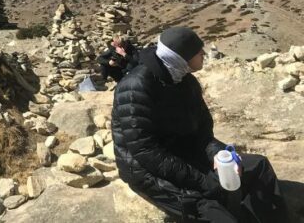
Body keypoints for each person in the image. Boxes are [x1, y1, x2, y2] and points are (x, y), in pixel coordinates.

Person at [112, 27, 289, 222]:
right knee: (214, 208)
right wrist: (203, 181)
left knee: (258, 166)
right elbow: (146, 152)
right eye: (198, 52)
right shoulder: (135, 88)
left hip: (184, 154)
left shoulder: (186, 82)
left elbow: (203, 133)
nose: (204, 54)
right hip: (148, 171)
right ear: (181, 57)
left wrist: (221, 155)